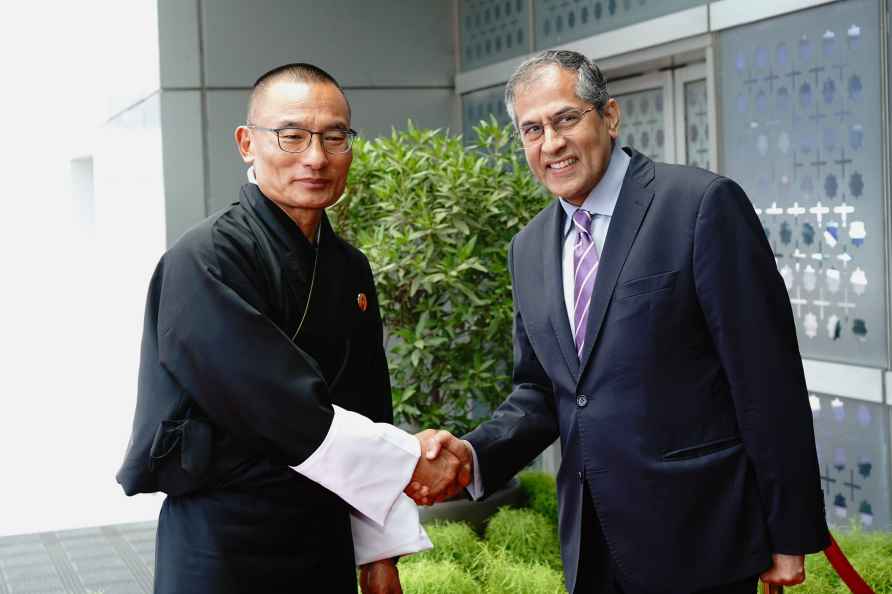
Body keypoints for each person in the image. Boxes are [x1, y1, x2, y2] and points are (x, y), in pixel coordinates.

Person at [414, 50, 829, 594]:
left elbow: (767, 382)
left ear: (608, 116)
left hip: (702, 542)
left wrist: (787, 533)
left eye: (566, 119)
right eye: (532, 130)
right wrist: (472, 454)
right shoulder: (529, 247)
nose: (552, 143)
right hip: (590, 545)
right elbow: (541, 391)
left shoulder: (700, 206)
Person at [116, 63, 470, 594]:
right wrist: (410, 460)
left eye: (335, 137)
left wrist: (379, 552)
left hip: (323, 537)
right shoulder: (205, 260)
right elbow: (278, 406)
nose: (316, 157)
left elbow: (367, 403)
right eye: (292, 136)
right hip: (225, 542)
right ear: (246, 143)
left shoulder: (348, 266)